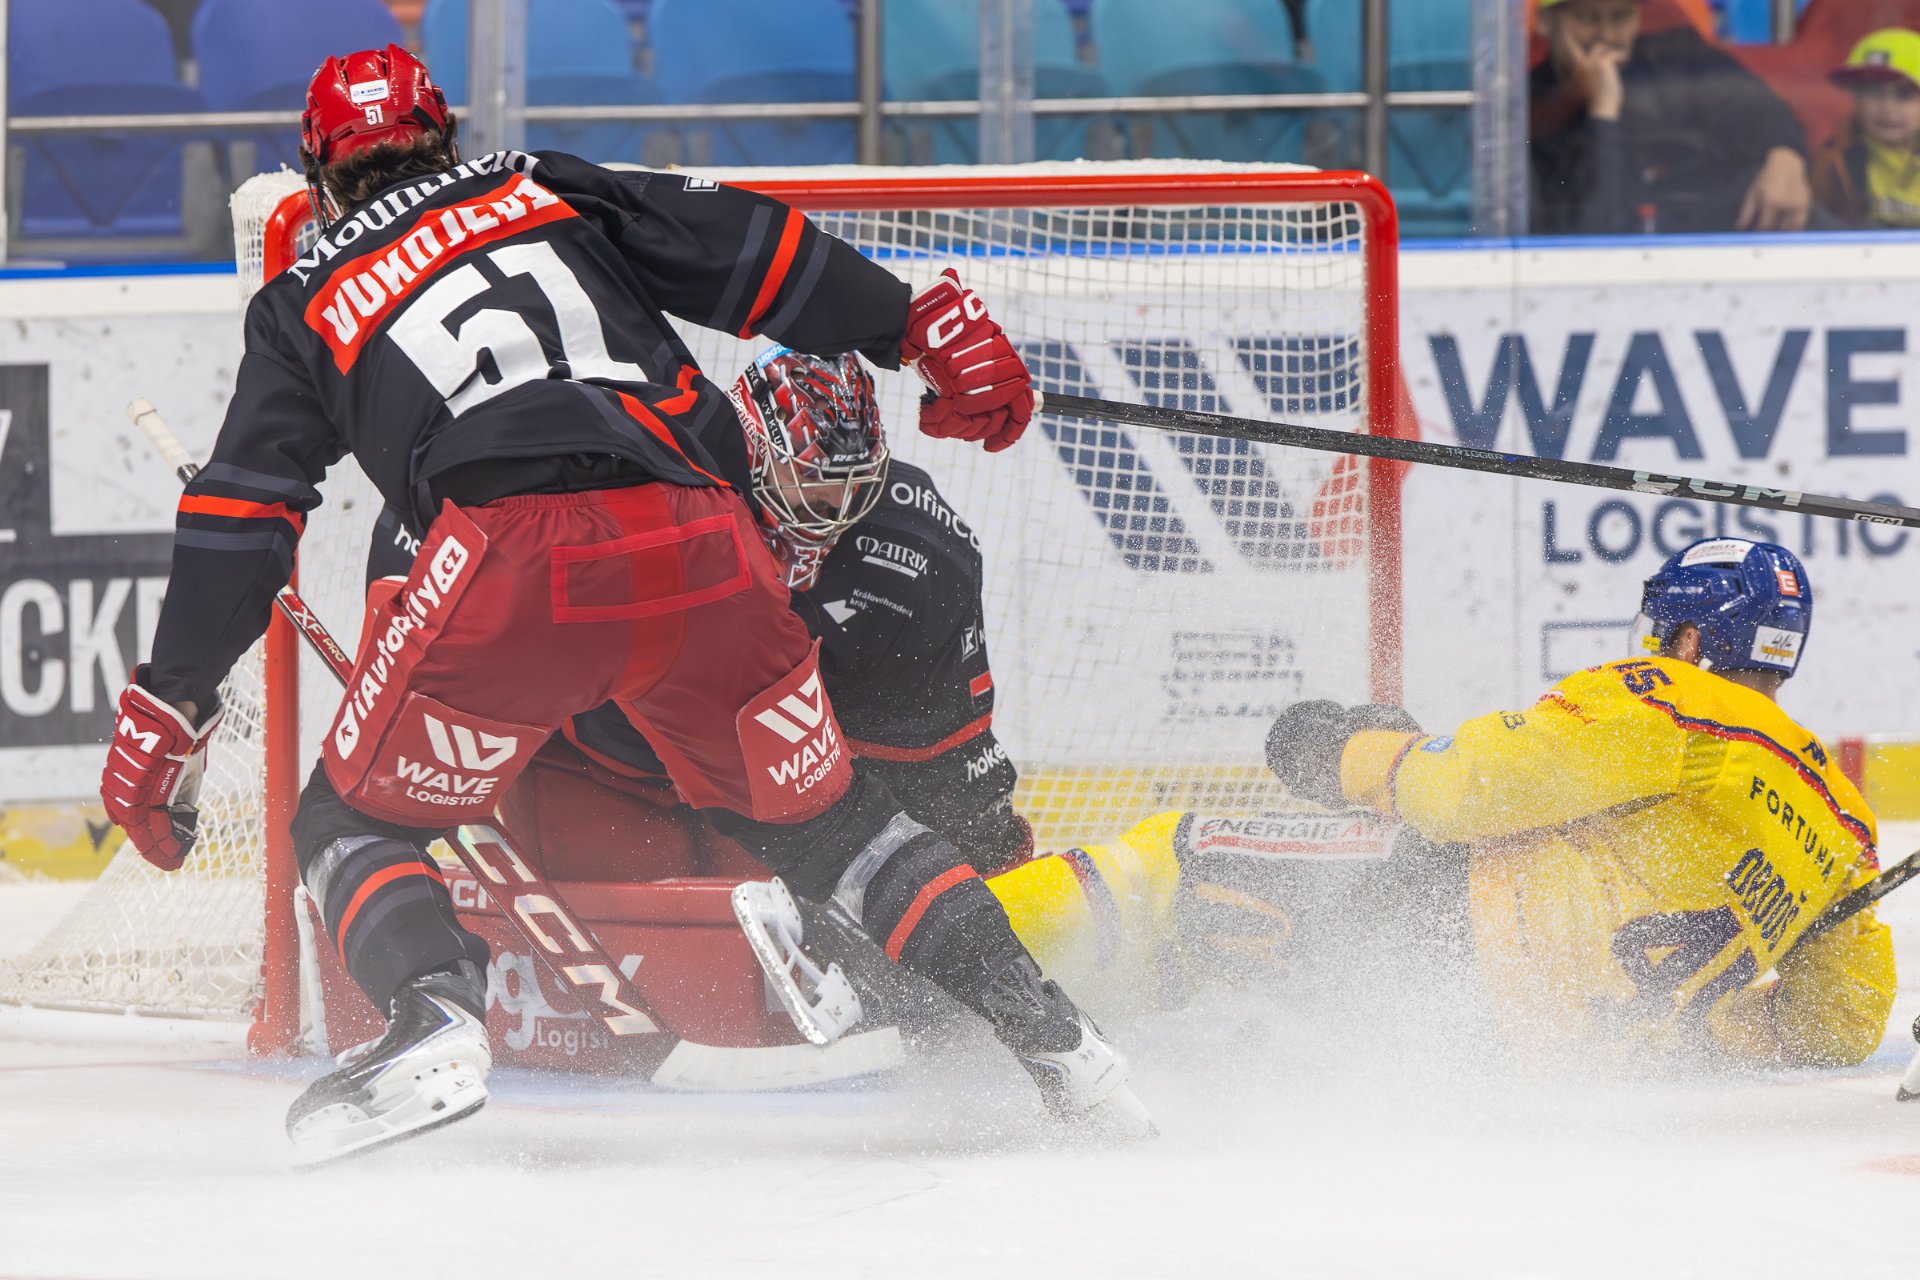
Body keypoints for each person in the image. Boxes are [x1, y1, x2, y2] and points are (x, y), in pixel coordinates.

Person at [97, 45, 1146, 1162]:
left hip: (515, 555)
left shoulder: (303, 299)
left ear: (317, 175)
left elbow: (242, 514)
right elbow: (750, 249)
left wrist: (172, 699)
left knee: (350, 819)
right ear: (445, 134)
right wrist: (912, 322)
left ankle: (433, 1015)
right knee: (840, 826)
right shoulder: (540, 185)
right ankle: (1065, 1047)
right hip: (709, 539)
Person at [995, 538, 1894, 1070]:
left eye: (1665, 629)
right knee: (1239, 929)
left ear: (1693, 636)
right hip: (1541, 1059)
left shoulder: (1675, 698)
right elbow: (1841, 1027)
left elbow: (1468, 790)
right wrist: (1697, 1023)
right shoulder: (1842, 826)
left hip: (1448, 936)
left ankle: (948, 952)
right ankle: (1028, 1004)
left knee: (1175, 864)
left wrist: (1348, 754)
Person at [1530, 0, 1813, 234]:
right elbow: (1588, 229)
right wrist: (1603, 112)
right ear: (1546, 22)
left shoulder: (1676, 57)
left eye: (1620, 16)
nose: (1607, 35)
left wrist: (1784, 154)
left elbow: (1753, 105)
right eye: (1586, 17)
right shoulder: (1526, 102)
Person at [1812, 28, 1920, 229]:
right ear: (1855, 98)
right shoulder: (1833, 158)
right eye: (1873, 93)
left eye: (1904, 95)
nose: (1887, 107)